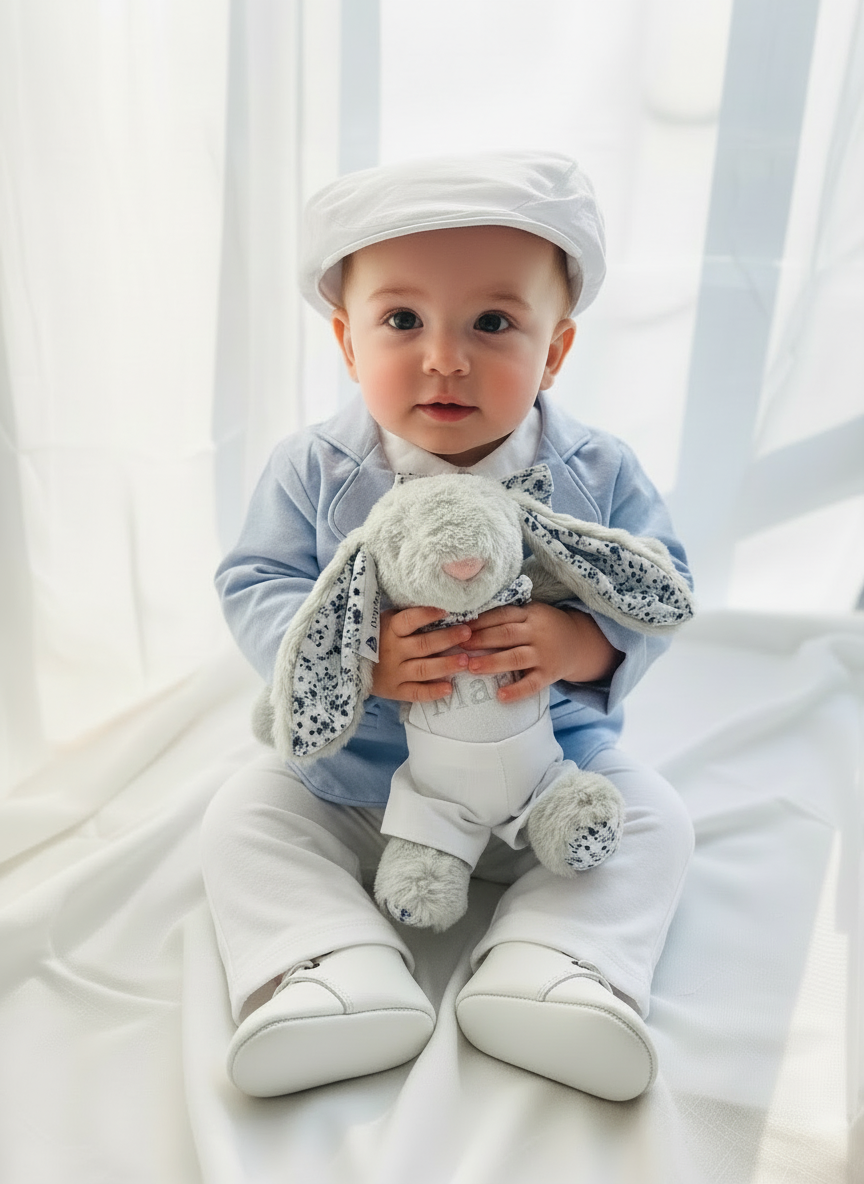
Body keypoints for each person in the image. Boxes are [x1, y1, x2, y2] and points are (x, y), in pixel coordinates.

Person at [201, 151, 695, 1103]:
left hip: (547, 772)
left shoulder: (594, 469)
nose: (445, 357)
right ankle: (331, 968)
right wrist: (357, 663)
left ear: (554, 350)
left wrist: (583, 645)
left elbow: (658, 582)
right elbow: (256, 580)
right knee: (245, 816)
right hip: (358, 781)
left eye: (494, 323)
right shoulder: (314, 470)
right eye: (402, 321)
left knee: (656, 820)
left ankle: (554, 967)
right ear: (348, 343)